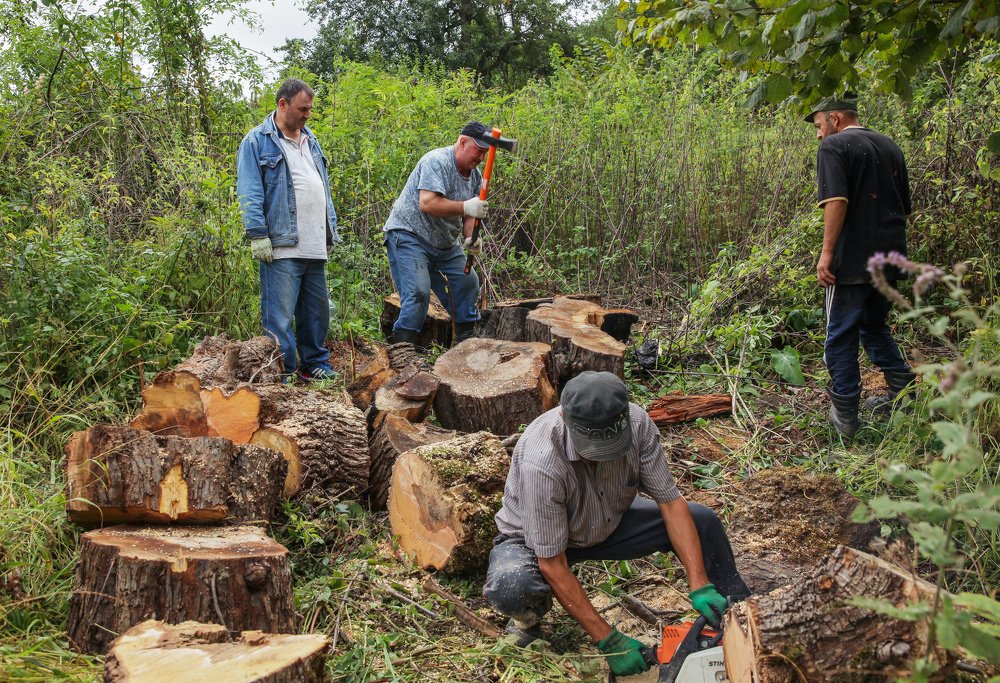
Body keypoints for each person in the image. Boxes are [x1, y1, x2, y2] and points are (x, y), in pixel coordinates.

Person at [483, 371, 750, 679]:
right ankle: (526, 623)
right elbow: (552, 562)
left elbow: (671, 505)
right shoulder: (541, 460)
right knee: (512, 586)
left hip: (609, 521)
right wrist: (608, 639)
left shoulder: (637, 424)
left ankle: (736, 614)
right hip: (535, 542)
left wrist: (699, 583)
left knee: (701, 519)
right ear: (566, 419)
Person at [807, 96, 916, 437]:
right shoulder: (890, 145)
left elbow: (836, 200)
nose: (818, 135)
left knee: (839, 335)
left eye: (819, 126)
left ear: (835, 119)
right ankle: (904, 395)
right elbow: (905, 206)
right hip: (889, 256)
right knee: (874, 326)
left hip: (851, 259)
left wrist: (827, 254)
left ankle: (845, 417)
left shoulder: (835, 147)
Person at [237, 78, 340, 382]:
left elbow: (323, 188)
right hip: (282, 244)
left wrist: (328, 232)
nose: (308, 114)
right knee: (279, 317)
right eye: (302, 109)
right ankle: (284, 372)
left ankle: (314, 363)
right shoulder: (257, 141)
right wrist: (257, 234)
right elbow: (250, 191)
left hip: (313, 244)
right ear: (283, 104)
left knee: (315, 312)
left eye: (310, 109)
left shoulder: (311, 139)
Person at [382, 121, 493, 346]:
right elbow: (428, 203)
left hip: (443, 244)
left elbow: (470, 214)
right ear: (463, 142)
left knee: (467, 281)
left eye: (485, 153)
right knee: (418, 293)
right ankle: (403, 349)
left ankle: (465, 341)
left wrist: (472, 236)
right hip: (409, 236)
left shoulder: (474, 175)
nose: (481, 157)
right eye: (479, 151)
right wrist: (466, 207)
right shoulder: (437, 161)